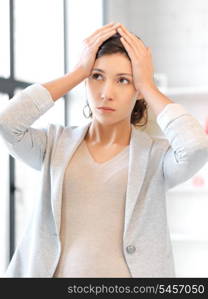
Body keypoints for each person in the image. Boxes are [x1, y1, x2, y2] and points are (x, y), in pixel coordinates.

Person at [0, 22, 208, 278]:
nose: (106, 93)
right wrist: (76, 73)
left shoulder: (157, 158)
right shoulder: (54, 143)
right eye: (97, 76)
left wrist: (148, 85)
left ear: (138, 90)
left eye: (123, 80)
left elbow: (196, 146)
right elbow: (8, 123)